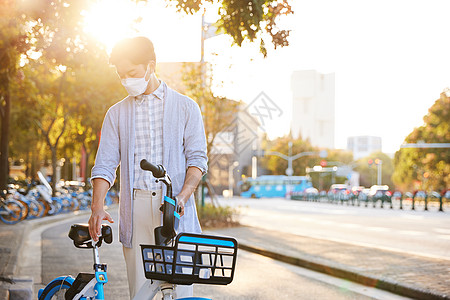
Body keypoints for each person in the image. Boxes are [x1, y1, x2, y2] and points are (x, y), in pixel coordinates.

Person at [88, 36, 208, 299]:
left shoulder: (186, 107)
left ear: (151, 65)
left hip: (175, 209)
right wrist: (97, 207)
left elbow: (197, 159)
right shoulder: (116, 114)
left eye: (132, 73)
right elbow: (105, 164)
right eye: (121, 75)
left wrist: (183, 196)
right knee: (141, 293)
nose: (126, 80)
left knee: (182, 293)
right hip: (136, 209)